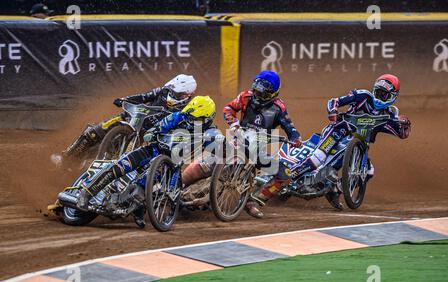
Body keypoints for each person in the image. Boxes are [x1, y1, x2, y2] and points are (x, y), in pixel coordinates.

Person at [248, 73, 412, 215]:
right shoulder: (362, 95)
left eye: (384, 95)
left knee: (369, 171)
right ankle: (287, 175)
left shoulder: (391, 114)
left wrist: (404, 124)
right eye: (378, 92)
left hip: (359, 146)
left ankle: (337, 189)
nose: (380, 97)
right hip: (338, 131)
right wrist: (333, 112)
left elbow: (402, 133)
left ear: (392, 97)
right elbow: (334, 101)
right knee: (318, 158)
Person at [76, 95, 218, 228]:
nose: (189, 120)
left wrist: (224, 150)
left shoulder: (211, 132)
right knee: (121, 166)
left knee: (153, 188)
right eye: (189, 115)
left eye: (195, 118)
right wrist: (153, 132)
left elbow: (222, 146)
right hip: (153, 150)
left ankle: (139, 210)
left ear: (207, 119)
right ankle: (87, 192)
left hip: (172, 163)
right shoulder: (179, 116)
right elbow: (162, 124)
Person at [181, 70, 303, 218]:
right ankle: (174, 186)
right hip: (238, 140)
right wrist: (234, 124)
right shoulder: (245, 97)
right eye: (256, 91)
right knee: (210, 160)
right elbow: (229, 109)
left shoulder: (279, 108)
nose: (257, 95)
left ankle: (254, 200)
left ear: (272, 94)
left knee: (285, 176)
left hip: (258, 151)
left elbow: (291, 128)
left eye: (261, 93)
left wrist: (296, 138)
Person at [51, 74, 197, 167]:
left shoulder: (188, 108)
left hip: (145, 135)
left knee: (122, 158)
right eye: (172, 92)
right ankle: (66, 158)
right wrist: (124, 100)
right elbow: (143, 96)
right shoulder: (163, 91)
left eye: (177, 94)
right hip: (130, 119)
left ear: (187, 95)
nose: (172, 95)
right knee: (92, 133)